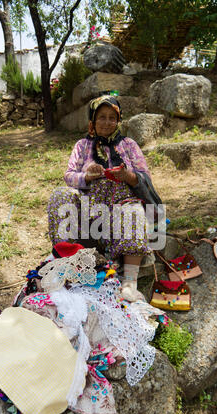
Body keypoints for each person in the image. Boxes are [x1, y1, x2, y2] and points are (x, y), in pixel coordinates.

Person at [47, 95, 163, 302]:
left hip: (120, 207)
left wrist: (127, 176)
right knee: (60, 195)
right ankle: (66, 264)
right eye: (102, 117)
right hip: (89, 210)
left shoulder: (128, 145)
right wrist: (87, 175)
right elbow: (69, 175)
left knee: (133, 211)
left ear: (118, 121)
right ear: (92, 120)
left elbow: (145, 176)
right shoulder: (82, 146)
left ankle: (129, 283)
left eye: (112, 118)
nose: (107, 122)